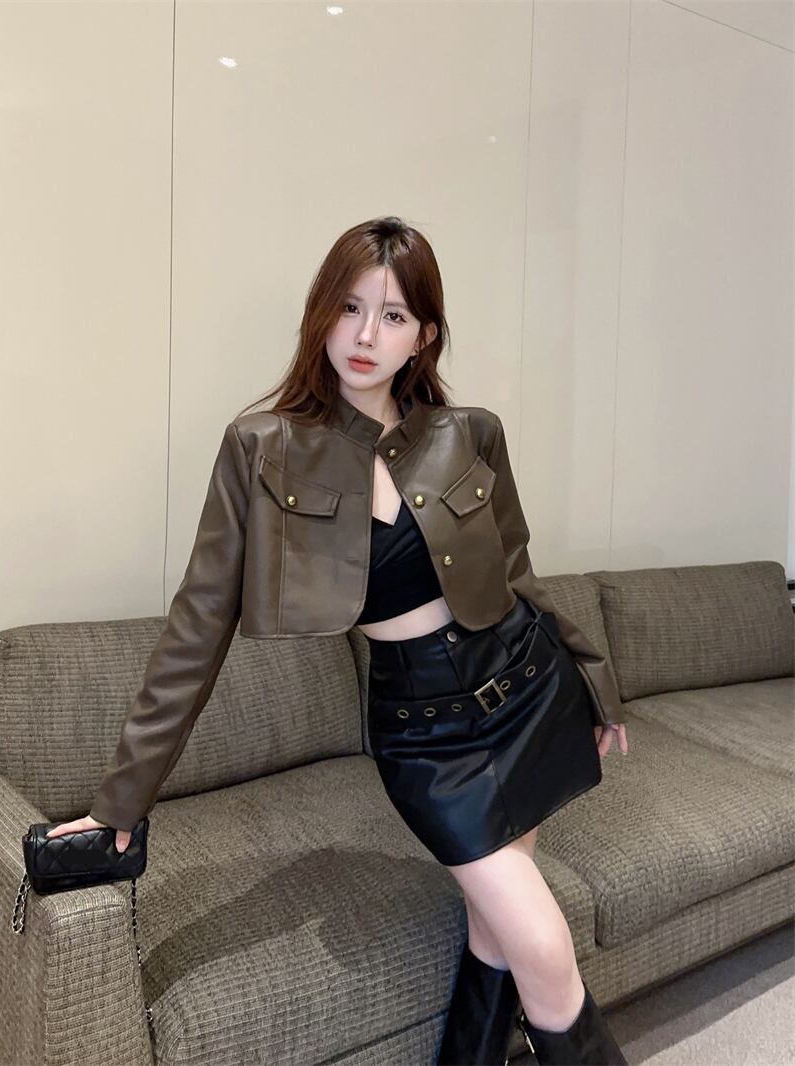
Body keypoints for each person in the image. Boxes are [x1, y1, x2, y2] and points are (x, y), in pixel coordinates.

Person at [47, 216, 629, 1065]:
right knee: (544, 949)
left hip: (528, 693)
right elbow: (196, 628)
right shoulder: (262, 449)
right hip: (427, 739)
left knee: (499, 936)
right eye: (350, 308)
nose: (364, 336)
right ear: (320, 312)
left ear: (424, 334)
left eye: (393, 316)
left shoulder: (471, 433)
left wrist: (597, 684)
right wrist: (119, 805)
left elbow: (519, 578)